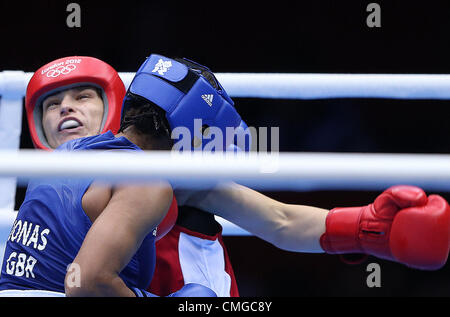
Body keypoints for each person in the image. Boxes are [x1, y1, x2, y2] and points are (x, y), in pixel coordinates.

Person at [0, 56, 215, 297]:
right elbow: (87, 284)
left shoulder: (62, 154)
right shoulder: (146, 180)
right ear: (186, 127)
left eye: (82, 96)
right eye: (203, 132)